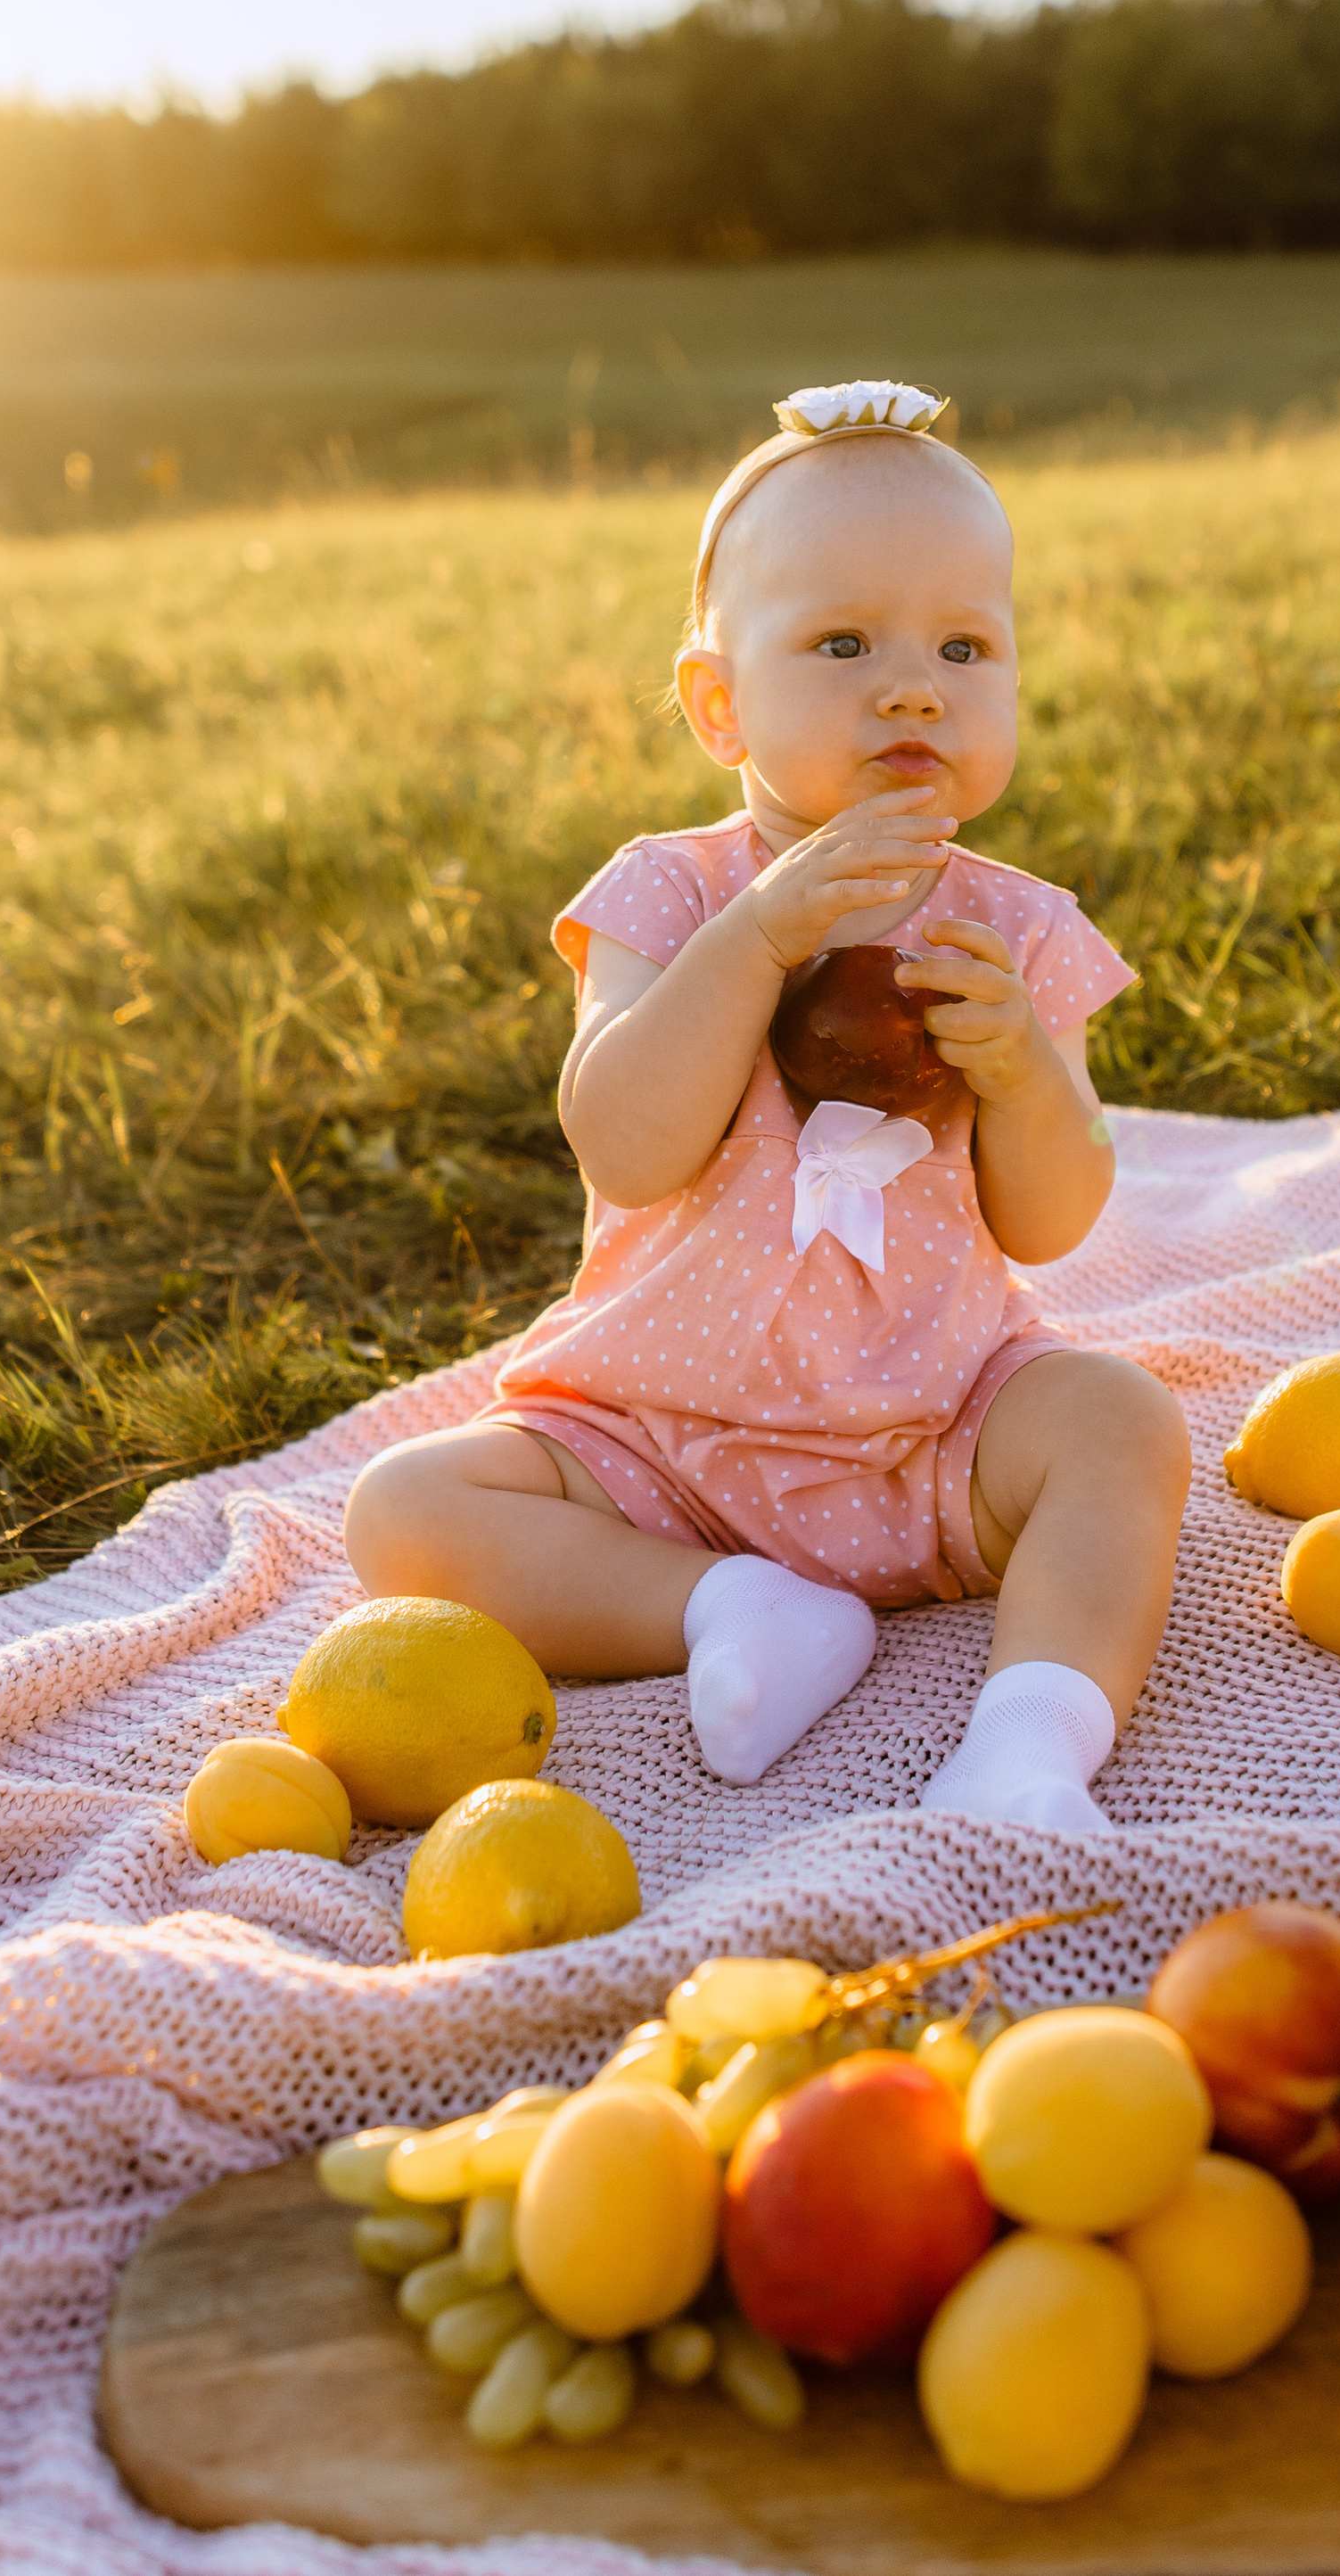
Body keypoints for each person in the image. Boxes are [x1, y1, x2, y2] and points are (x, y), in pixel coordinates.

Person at [345, 382, 1188, 1835]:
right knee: (403, 1514)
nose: (912, 685)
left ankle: (1033, 1739)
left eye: (963, 645)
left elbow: (1053, 1221)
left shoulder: (1019, 930)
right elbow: (625, 1138)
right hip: (652, 1445)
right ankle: (736, 1609)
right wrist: (756, 941)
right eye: (844, 642)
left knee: (1123, 1424)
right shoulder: (669, 895)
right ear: (720, 701)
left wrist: (1025, 1072)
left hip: (939, 1436)